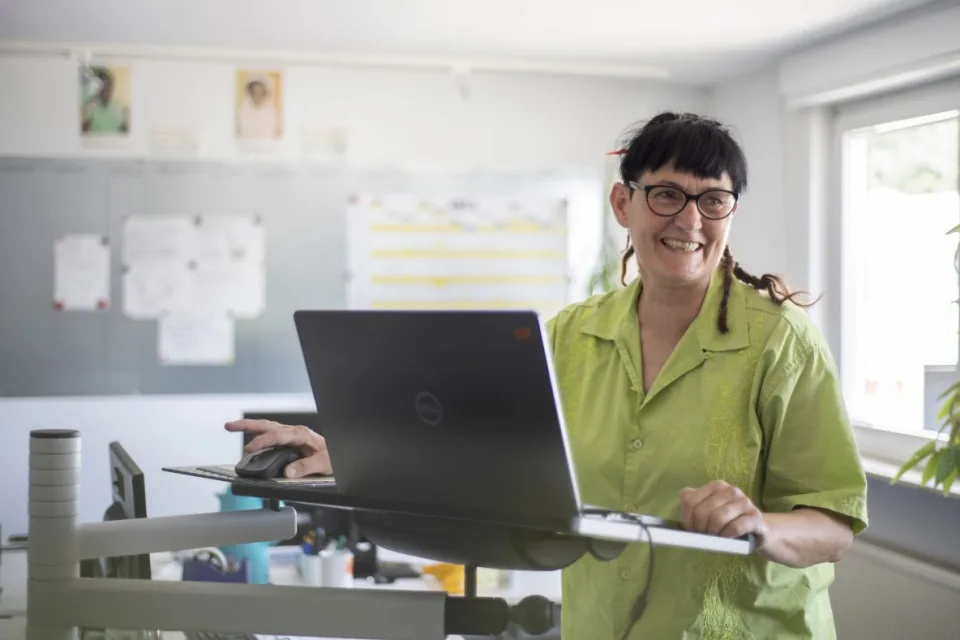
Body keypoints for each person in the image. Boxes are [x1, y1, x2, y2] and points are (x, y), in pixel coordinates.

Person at [225, 112, 868, 639]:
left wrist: (760, 524)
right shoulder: (570, 335)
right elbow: (480, 455)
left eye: (713, 199)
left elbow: (833, 525)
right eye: (668, 193)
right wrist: (342, 451)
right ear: (624, 202)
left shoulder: (781, 343)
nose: (691, 220)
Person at [81, 67, 129, 135]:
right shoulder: (91, 107)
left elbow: (125, 131)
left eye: (109, 86)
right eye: (103, 86)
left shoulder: (118, 107)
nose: (106, 90)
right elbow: (83, 131)